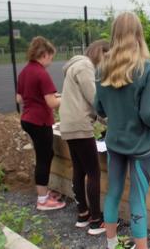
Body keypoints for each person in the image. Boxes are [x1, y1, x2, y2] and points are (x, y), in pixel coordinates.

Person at [94, 12, 150, 249]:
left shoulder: (102, 69)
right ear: (138, 35)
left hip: (114, 143)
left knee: (113, 192)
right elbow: (149, 116)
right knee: (137, 198)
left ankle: (112, 245)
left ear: (114, 35)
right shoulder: (146, 69)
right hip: (141, 146)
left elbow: (99, 109)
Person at [59, 40, 110, 235]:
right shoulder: (85, 67)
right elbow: (96, 99)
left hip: (69, 124)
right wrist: (113, 120)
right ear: (101, 53)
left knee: (79, 170)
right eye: (108, 57)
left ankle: (83, 215)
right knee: (93, 172)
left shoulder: (75, 66)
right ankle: (97, 221)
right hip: (80, 125)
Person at [16, 36, 65, 211]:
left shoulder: (25, 72)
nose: (51, 62)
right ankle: (43, 200)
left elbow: (20, 98)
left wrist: (42, 98)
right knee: (44, 157)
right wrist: (66, 98)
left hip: (27, 118)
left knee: (44, 155)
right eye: (51, 57)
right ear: (44, 54)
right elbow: (52, 103)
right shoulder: (41, 73)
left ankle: (43, 191)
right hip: (39, 121)